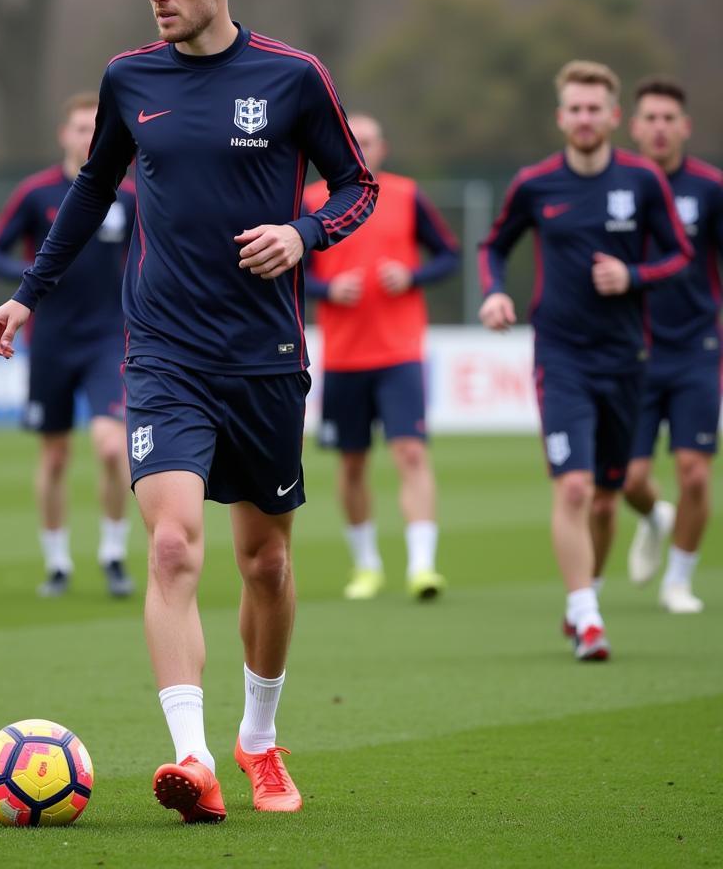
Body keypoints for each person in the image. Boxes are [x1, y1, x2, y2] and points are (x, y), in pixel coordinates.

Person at [0, 0, 376, 822]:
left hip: (267, 356)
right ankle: (193, 759)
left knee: (267, 564)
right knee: (169, 543)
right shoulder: (129, 79)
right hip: (163, 352)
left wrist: (304, 230)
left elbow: (358, 184)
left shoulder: (293, 78)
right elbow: (89, 192)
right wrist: (27, 294)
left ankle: (259, 741)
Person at [477, 59, 691, 662]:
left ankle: (593, 586)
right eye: (575, 108)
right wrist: (494, 289)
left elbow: (679, 255)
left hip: (627, 356)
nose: (585, 118)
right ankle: (586, 615)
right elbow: (493, 244)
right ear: (561, 116)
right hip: (561, 354)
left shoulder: (644, 182)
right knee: (573, 487)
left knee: (605, 495)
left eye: (596, 108)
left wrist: (634, 274)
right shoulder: (535, 184)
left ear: (614, 116)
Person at [0, 93, 136, 599]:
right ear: (62, 135)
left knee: (113, 447)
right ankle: (57, 562)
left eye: (96, 127)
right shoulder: (37, 194)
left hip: (110, 337)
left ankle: (113, 554)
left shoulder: (129, 194)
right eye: (77, 127)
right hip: (49, 340)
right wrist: (29, 281)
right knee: (54, 457)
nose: (86, 136)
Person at [304, 113, 459, 601]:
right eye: (354, 141)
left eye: (368, 141)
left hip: (400, 352)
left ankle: (422, 566)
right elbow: (289, 272)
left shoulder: (408, 196)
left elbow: (450, 255)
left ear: (383, 147)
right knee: (351, 464)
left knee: (411, 452)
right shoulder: (311, 201)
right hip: (344, 356)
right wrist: (327, 289)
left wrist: (412, 276)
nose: (361, 148)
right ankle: (366, 565)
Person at [622, 76, 722, 613]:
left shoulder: (709, 189)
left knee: (695, 471)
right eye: (650, 119)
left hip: (695, 348)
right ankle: (654, 517)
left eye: (669, 119)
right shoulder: (617, 185)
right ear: (634, 127)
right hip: (633, 351)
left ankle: (679, 581)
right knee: (631, 478)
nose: (660, 128)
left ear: (684, 127)